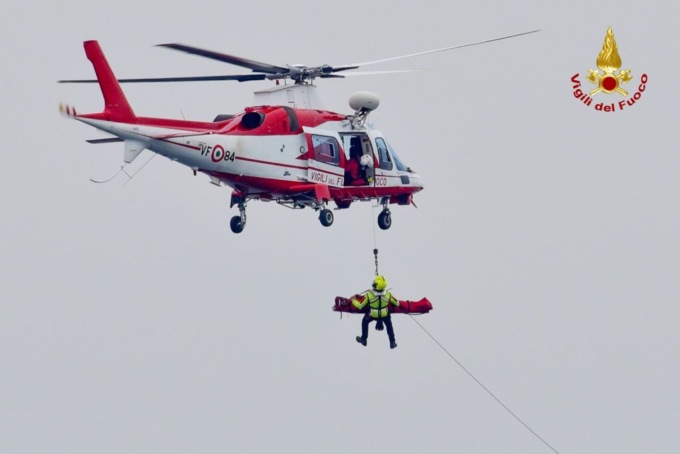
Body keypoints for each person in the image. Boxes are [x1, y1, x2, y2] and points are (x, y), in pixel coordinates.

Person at [351, 275, 400, 349]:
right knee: (389, 325)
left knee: (364, 322)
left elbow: (360, 306)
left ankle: (364, 339)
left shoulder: (369, 295)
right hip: (384, 315)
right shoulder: (388, 294)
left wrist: (353, 301)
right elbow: (397, 303)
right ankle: (392, 342)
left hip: (372, 315)